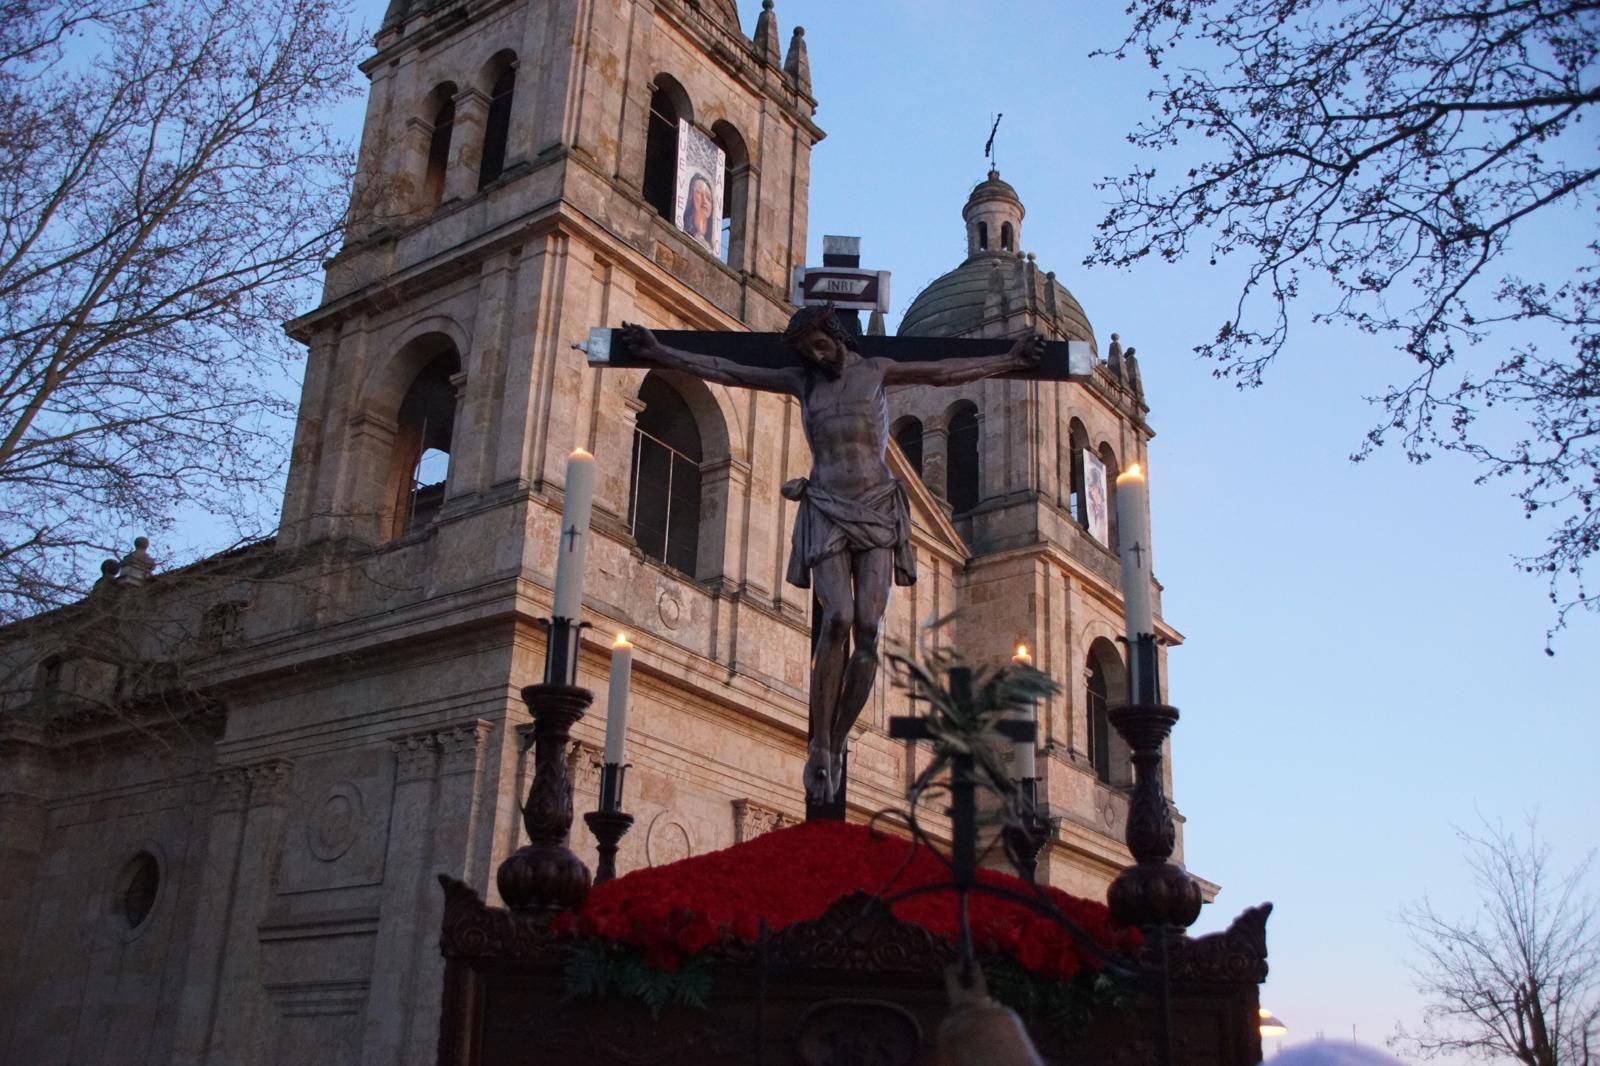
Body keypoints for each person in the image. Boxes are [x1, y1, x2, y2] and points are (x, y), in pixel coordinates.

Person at [618, 306, 1043, 804]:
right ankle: (819, 743)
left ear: (836, 337)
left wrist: (1010, 360)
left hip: (879, 507)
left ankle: (838, 738)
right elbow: (728, 369)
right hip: (826, 506)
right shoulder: (803, 383)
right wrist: (660, 351)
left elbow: (946, 371)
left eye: (821, 346)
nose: (817, 357)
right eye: (808, 352)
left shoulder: (877, 370)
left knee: (867, 627)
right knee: (836, 617)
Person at [680, 172, 718, 255]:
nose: (704, 201)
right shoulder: (684, 229)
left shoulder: (709, 246)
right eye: (699, 193)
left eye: (708, 198)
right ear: (691, 196)